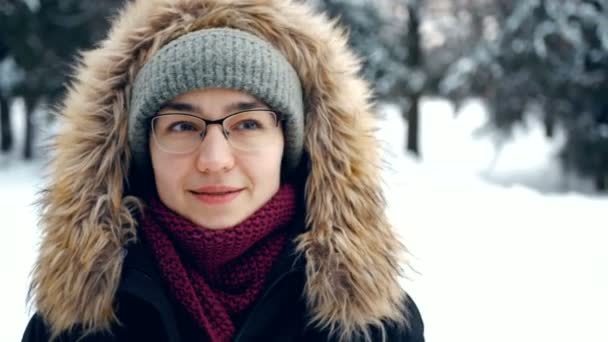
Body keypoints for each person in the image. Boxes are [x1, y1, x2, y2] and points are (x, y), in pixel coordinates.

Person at [22, 0, 425, 341]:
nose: (214, 159)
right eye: (182, 126)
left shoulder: (375, 324)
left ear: (290, 143)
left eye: (247, 123)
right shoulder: (72, 324)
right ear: (143, 147)